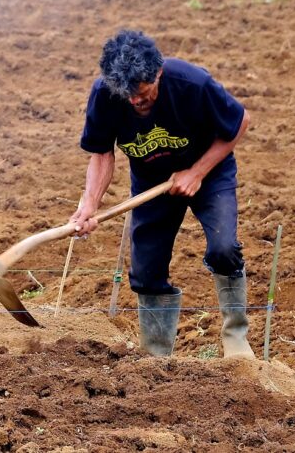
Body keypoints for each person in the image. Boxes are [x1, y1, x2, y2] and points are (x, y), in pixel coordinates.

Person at [70, 30, 254, 359]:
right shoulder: (107, 93)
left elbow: (240, 122)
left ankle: (236, 337)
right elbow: (101, 153)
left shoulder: (192, 83)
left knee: (224, 247)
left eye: (142, 93)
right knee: (146, 270)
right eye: (128, 96)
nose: (135, 102)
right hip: (152, 181)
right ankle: (156, 356)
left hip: (209, 172)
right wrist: (89, 205)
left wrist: (196, 172)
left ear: (158, 73)